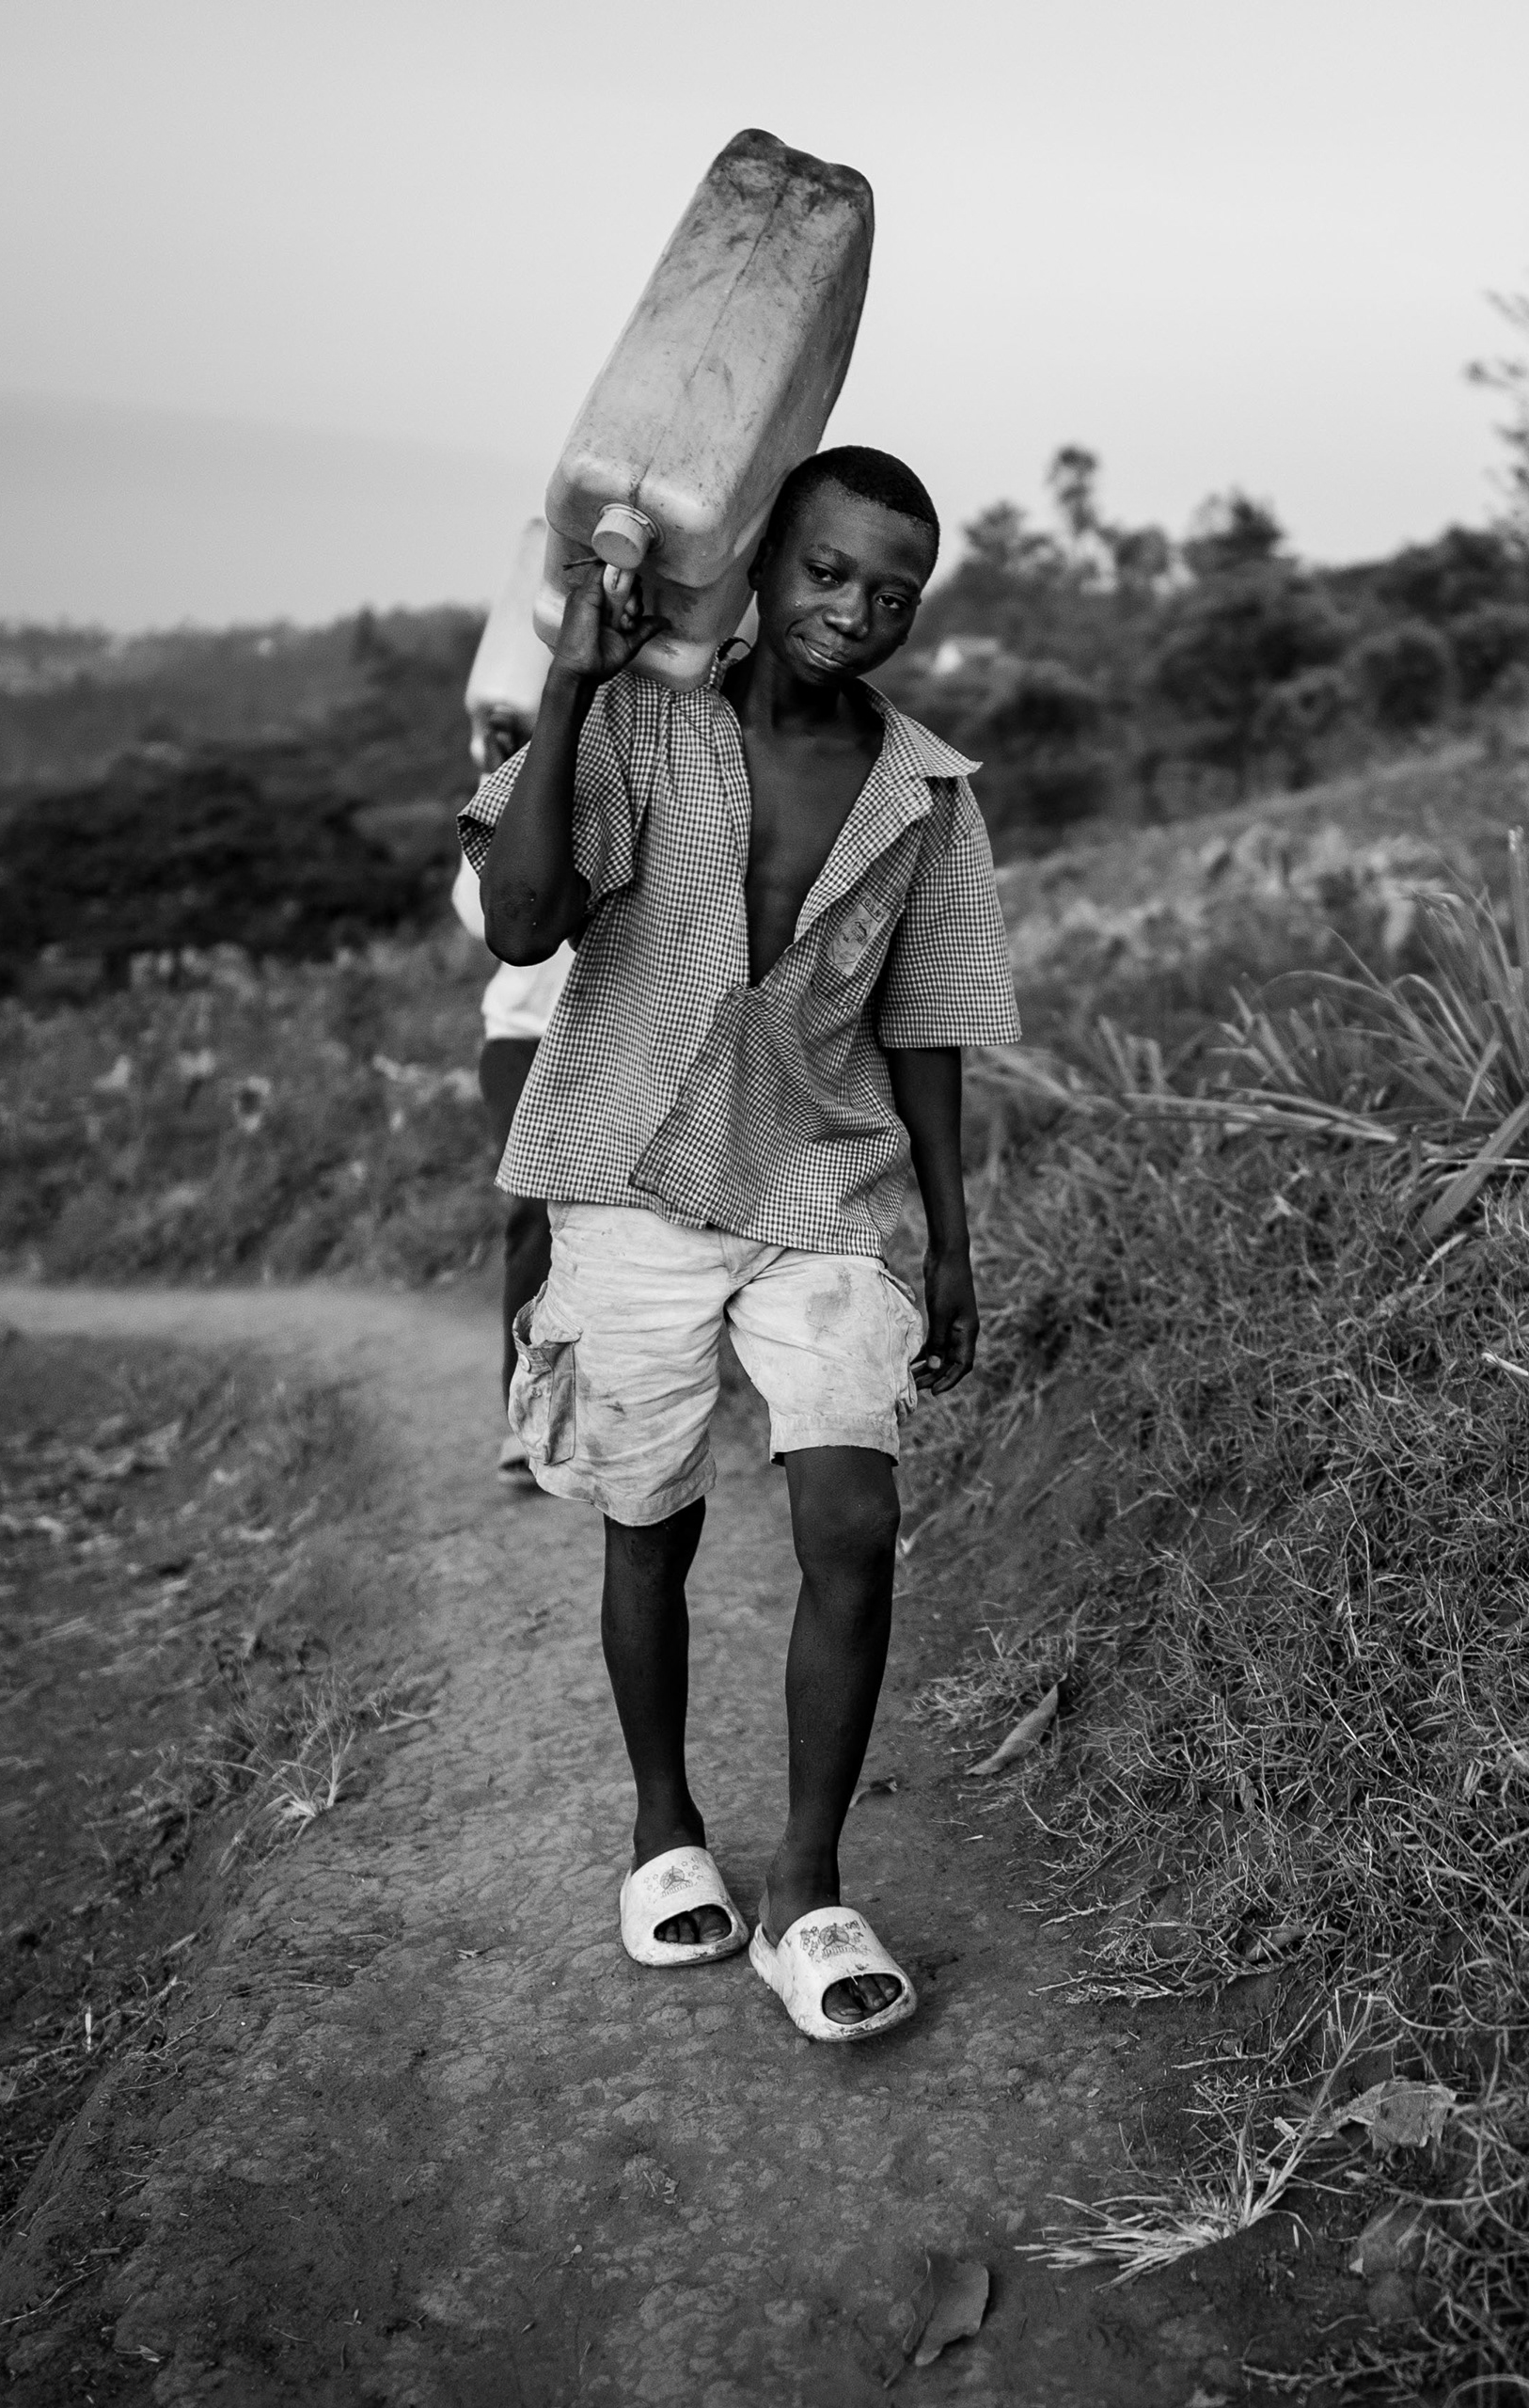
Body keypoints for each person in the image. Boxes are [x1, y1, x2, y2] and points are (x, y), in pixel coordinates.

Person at [465, 445, 1014, 2046]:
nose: (856, 611)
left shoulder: (926, 790)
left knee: (850, 1517)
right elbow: (518, 925)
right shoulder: (644, 724)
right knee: (653, 1521)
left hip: (825, 1192)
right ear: (767, 569)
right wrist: (572, 686)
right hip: (633, 1171)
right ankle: (661, 1822)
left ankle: (809, 1889)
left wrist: (956, 1245)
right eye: (831, 573)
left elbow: (927, 1029)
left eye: (893, 593)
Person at [448, 751, 573, 1489]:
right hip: (524, 1037)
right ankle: (524, 1414)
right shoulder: (519, 777)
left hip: (634, 1032)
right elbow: (478, 914)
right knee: (535, 1207)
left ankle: (621, 1401)